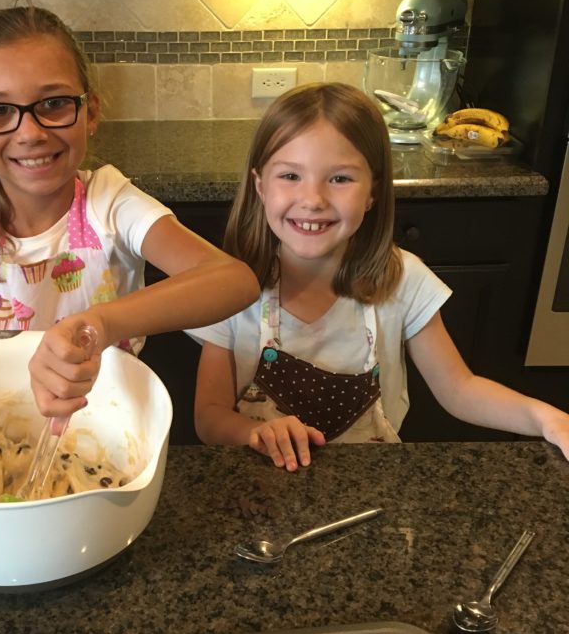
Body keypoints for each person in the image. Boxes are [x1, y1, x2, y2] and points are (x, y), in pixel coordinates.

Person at [0, 5, 259, 426]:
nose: (30, 133)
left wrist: (98, 323)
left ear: (90, 112)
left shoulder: (109, 203)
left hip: (105, 422)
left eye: (53, 103)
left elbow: (234, 281)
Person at [191, 82, 569, 471]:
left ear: (372, 191)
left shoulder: (403, 280)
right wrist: (252, 433)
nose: (312, 199)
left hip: (370, 488)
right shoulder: (231, 287)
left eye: (340, 179)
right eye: (290, 176)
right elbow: (209, 415)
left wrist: (547, 419)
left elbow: (460, 389)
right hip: (260, 492)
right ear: (259, 186)